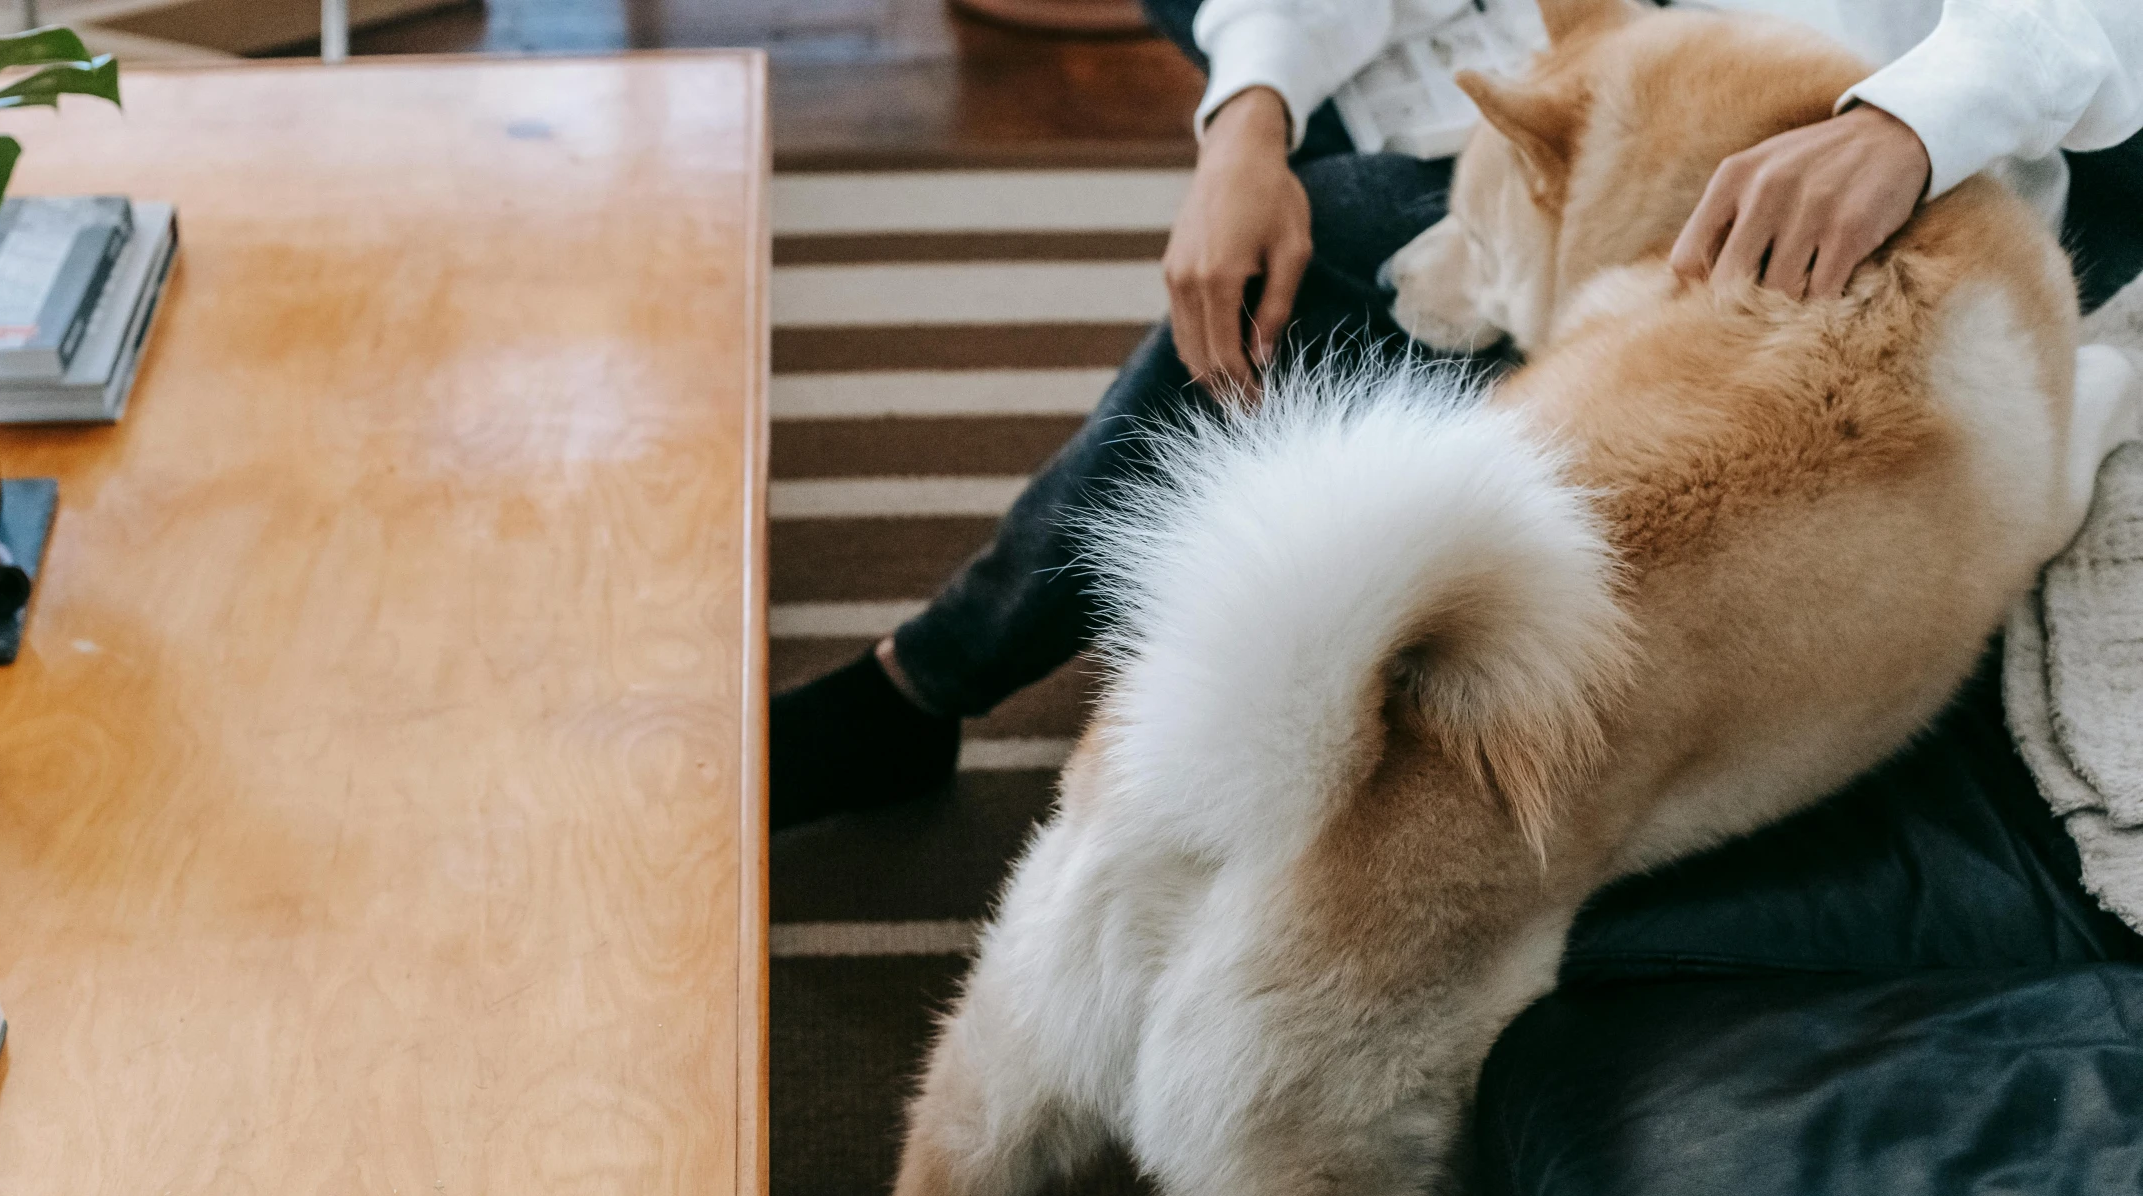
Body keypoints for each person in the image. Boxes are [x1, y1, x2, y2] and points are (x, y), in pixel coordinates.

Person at [770, 0, 2143, 833]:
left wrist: (1903, 123)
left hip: (1908, 212)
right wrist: (1239, 128)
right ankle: (1020, 679)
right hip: (1635, 149)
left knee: (1356, 240)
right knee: (1320, 186)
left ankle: (945, 679)